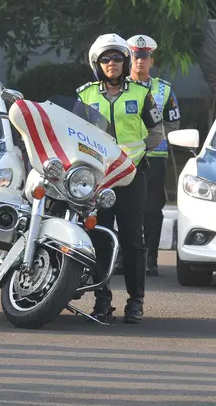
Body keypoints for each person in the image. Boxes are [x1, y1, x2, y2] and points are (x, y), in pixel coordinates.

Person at [76, 33, 164, 323]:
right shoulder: (85, 95)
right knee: (99, 238)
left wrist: (134, 160)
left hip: (131, 178)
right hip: (99, 180)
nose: (111, 63)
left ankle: (135, 302)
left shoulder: (140, 94)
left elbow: (155, 134)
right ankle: (102, 300)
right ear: (96, 64)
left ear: (126, 62)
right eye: (105, 59)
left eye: (117, 58)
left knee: (132, 240)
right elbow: (74, 133)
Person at [127, 34, 180, 277]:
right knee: (124, 209)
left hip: (154, 159)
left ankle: (151, 259)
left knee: (151, 209)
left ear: (152, 59)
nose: (140, 61)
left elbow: (173, 124)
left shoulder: (164, 90)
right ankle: (121, 257)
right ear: (130, 58)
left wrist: (151, 143)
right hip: (123, 159)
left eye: (144, 56)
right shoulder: (118, 86)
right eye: (136, 56)